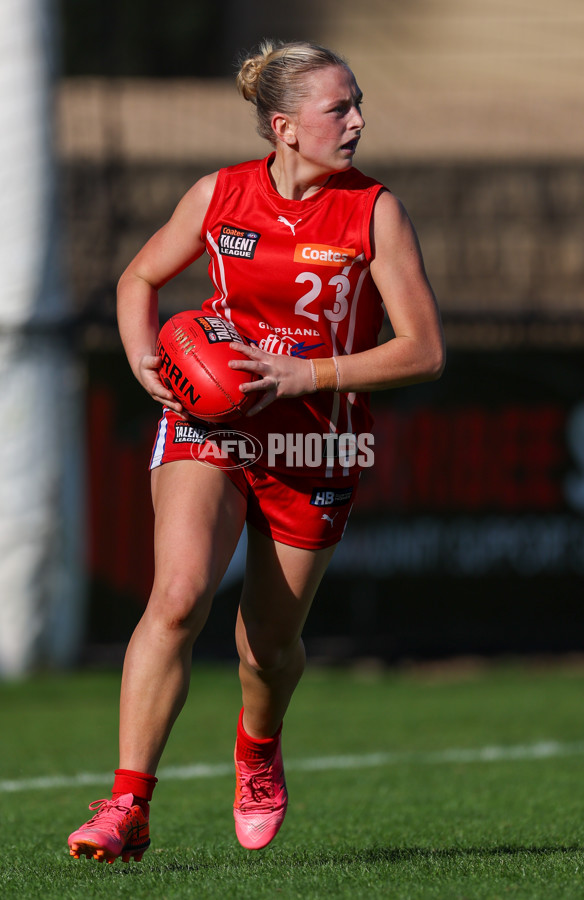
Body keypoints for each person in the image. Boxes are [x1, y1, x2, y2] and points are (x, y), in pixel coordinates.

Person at [67, 39, 445, 863]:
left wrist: (309, 371)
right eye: (338, 108)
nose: (357, 121)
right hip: (212, 424)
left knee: (264, 648)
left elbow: (423, 350)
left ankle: (258, 750)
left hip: (319, 442)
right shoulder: (219, 194)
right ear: (285, 126)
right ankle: (127, 805)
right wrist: (142, 360)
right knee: (176, 595)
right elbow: (139, 279)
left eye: (357, 104)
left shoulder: (374, 210)